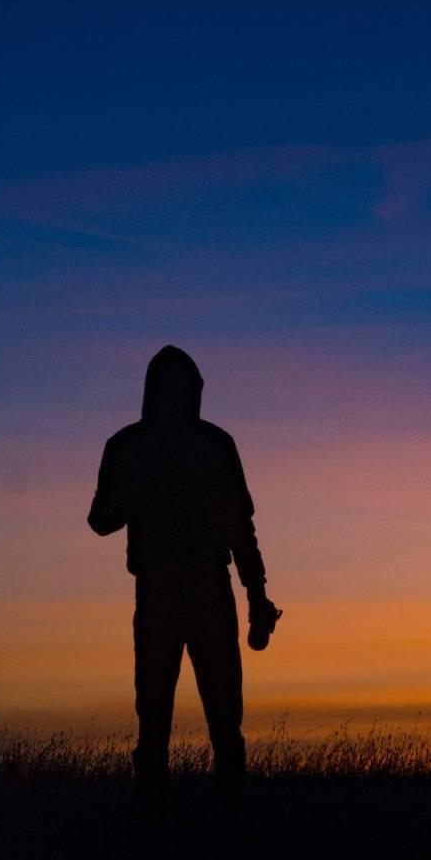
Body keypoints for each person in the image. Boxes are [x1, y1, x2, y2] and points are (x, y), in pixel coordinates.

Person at [87, 345, 280, 808]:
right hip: (176, 590)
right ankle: (175, 828)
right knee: (168, 718)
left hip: (188, 590)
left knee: (208, 719)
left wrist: (256, 596)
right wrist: (256, 594)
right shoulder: (195, 445)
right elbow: (102, 519)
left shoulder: (139, 446)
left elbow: (238, 527)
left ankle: (212, 828)